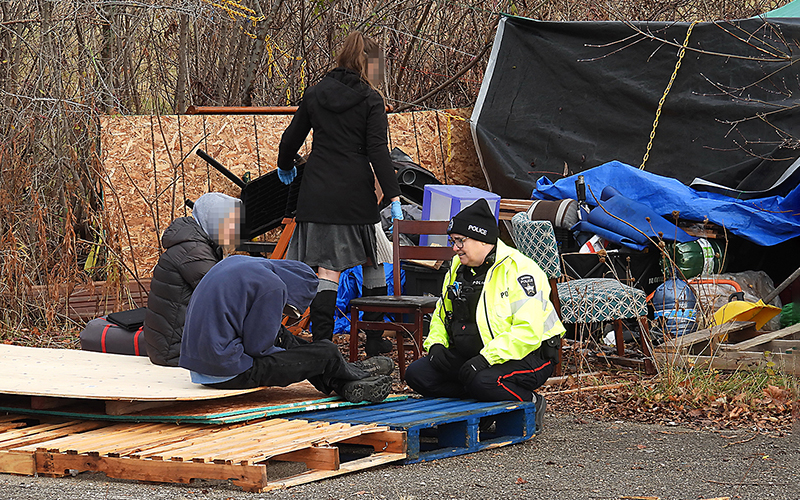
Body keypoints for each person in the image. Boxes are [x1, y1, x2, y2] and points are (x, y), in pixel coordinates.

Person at [276, 31, 403, 357]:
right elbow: (378, 151)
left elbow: (291, 139)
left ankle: (322, 345)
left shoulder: (316, 93)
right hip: (355, 197)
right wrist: (393, 195)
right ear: (368, 64)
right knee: (373, 261)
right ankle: (374, 341)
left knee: (327, 270)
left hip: (317, 194)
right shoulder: (370, 100)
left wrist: (285, 164)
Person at [404, 199, 566, 432]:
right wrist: (437, 345)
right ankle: (481, 402)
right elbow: (442, 313)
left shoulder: (520, 270)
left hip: (530, 354)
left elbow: (527, 331)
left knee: (484, 381)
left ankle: (531, 402)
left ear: (482, 239)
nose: (454, 248)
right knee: (417, 374)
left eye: (460, 241)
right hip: (477, 353)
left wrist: (484, 360)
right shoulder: (457, 268)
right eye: (453, 241)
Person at [179, 255, 395, 403]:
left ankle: (343, 383)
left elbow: (261, 334)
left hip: (201, 368)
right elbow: (258, 348)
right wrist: (296, 359)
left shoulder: (239, 264)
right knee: (326, 352)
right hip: (228, 371)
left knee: (284, 337)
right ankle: (354, 374)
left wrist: (294, 353)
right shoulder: (272, 286)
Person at [143, 192, 242, 366]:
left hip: (171, 345)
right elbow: (225, 296)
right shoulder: (193, 252)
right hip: (176, 351)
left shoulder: (195, 243)